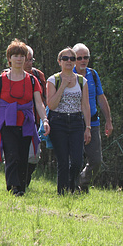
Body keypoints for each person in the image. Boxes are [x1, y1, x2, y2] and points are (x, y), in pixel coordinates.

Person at [0, 39, 49, 196]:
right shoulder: (0, 80)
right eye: (15, 55)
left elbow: (39, 103)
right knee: (12, 155)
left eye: (21, 55)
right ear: (9, 59)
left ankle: (21, 186)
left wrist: (45, 120)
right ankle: (13, 187)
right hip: (7, 123)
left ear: (26, 58)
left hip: (26, 122)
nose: (19, 59)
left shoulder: (32, 80)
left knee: (24, 156)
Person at [46, 47, 91, 195]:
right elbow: (51, 105)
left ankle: (72, 187)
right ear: (59, 62)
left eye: (72, 58)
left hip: (77, 122)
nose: (69, 61)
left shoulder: (81, 81)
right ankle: (62, 192)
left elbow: (85, 105)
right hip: (58, 122)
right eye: (65, 58)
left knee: (77, 161)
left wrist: (88, 127)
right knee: (63, 161)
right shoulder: (53, 80)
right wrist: (63, 85)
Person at [73, 43, 113, 193]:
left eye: (86, 57)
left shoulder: (93, 75)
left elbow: (101, 98)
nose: (83, 60)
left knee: (96, 161)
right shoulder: (68, 75)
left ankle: (82, 182)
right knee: (74, 159)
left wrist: (108, 121)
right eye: (80, 58)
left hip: (94, 123)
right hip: (74, 123)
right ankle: (72, 187)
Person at [23, 45, 47, 187]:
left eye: (31, 60)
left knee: (34, 155)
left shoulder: (38, 75)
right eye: (27, 60)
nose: (29, 63)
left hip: (35, 121)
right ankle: (17, 183)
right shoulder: (7, 75)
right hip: (16, 120)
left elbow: (44, 98)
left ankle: (25, 179)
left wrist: (45, 119)